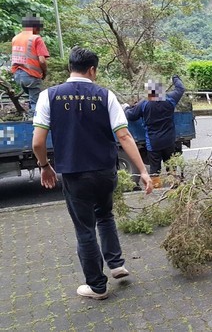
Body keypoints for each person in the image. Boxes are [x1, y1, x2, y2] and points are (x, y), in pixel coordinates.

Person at [32, 46, 153, 300]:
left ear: (69, 68)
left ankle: (97, 286)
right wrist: (143, 171)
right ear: (92, 70)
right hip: (105, 170)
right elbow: (124, 135)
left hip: (74, 174)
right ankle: (117, 263)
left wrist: (44, 166)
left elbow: (37, 142)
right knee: (105, 215)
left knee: (85, 229)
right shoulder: (105, 95)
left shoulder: (48, 96)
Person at [125, 75, 185, 187]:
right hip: (169, 140)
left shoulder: (144, 104)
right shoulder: (170, 99)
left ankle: (156, 188)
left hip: (153, 142)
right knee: (171, 164)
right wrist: (175, 78)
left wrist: (128, 108)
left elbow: (131, 116)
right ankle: (174, 185)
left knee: (155, 168)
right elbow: (181, 89)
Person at [11, 15, 50, 117]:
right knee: (35, 103)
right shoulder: (36, 38)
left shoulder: (15, 38)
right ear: (35, 27)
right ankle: (34, 126)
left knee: (32, 98)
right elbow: (42, 60)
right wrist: (44, 72)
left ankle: (29, 116)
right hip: (31, 75)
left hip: (18, 76)